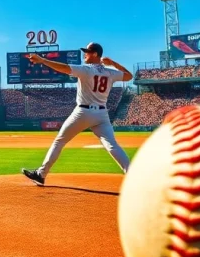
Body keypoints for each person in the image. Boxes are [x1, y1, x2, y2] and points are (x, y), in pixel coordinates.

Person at [22, 42, 132, 185]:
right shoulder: (110, 72)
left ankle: (41, 174)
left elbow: (64, 68)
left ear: (95, 54)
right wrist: (113, 63)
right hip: (102, 115)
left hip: (83, 112)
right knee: (112, 145)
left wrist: (43, 60)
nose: (84, 54)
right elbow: (129, 76)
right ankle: (132, 175)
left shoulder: (86, 69)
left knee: (60, 141)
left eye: (87, 51)